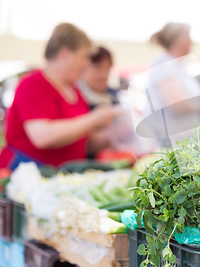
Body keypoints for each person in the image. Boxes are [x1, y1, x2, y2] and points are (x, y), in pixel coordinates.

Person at [0, 23, 121, 170]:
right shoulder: (33, 84)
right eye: (83, 57)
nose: (85, 65)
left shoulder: (74, 90)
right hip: (26, 175)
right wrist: (93, 119)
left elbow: (83, 143)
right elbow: (42, 137)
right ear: (65, 54)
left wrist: (115, 134)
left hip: (63, 177)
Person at [147, 23, 200, 145]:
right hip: (171, 141)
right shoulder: (165, 65)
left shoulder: (180, 66)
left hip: (185, 139)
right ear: (177, 40)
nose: (191, 41)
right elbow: (176, 103)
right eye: (187, 36)